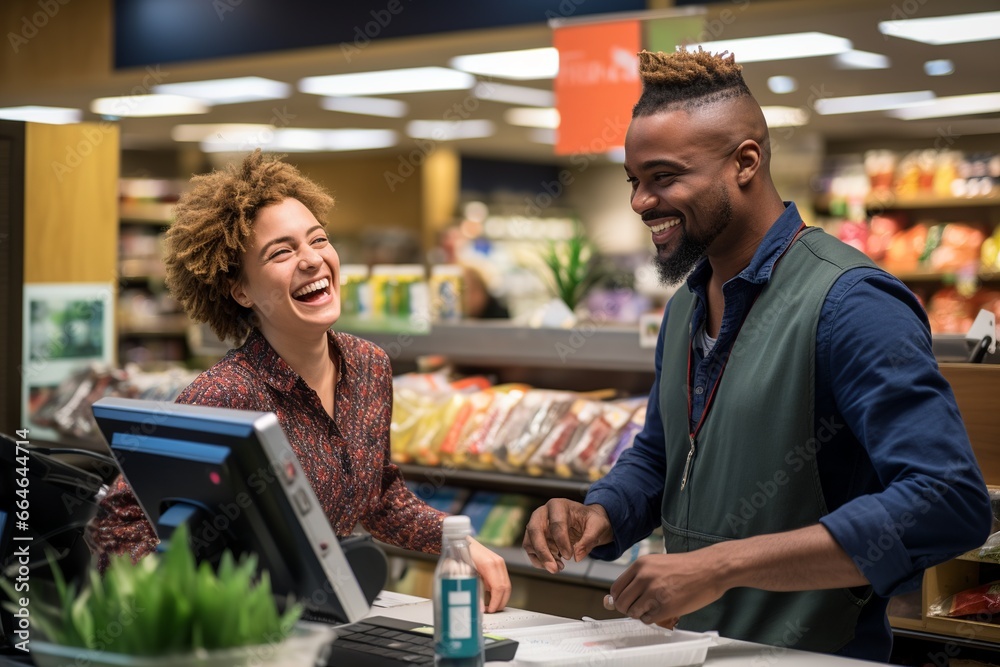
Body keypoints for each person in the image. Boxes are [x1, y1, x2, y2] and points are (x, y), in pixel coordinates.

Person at [522, 48, 992, 661]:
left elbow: (946, 501)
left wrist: (721, 566)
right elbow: (664, 456)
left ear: (745, 162)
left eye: (664, 177)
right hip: (691, 650)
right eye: (635, 182)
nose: (640, 202)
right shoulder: (686, 306)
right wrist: (598, 514)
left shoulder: (850, 302)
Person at [89, 150, 511, 612]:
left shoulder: (370, 367)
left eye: (318, 240)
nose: (312, 260)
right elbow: (121, 527)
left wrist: (458, 542)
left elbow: (377, 498)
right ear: (241, 290)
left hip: (325, 618)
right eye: (282, 252)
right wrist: (193, 613)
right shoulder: (225, 395)